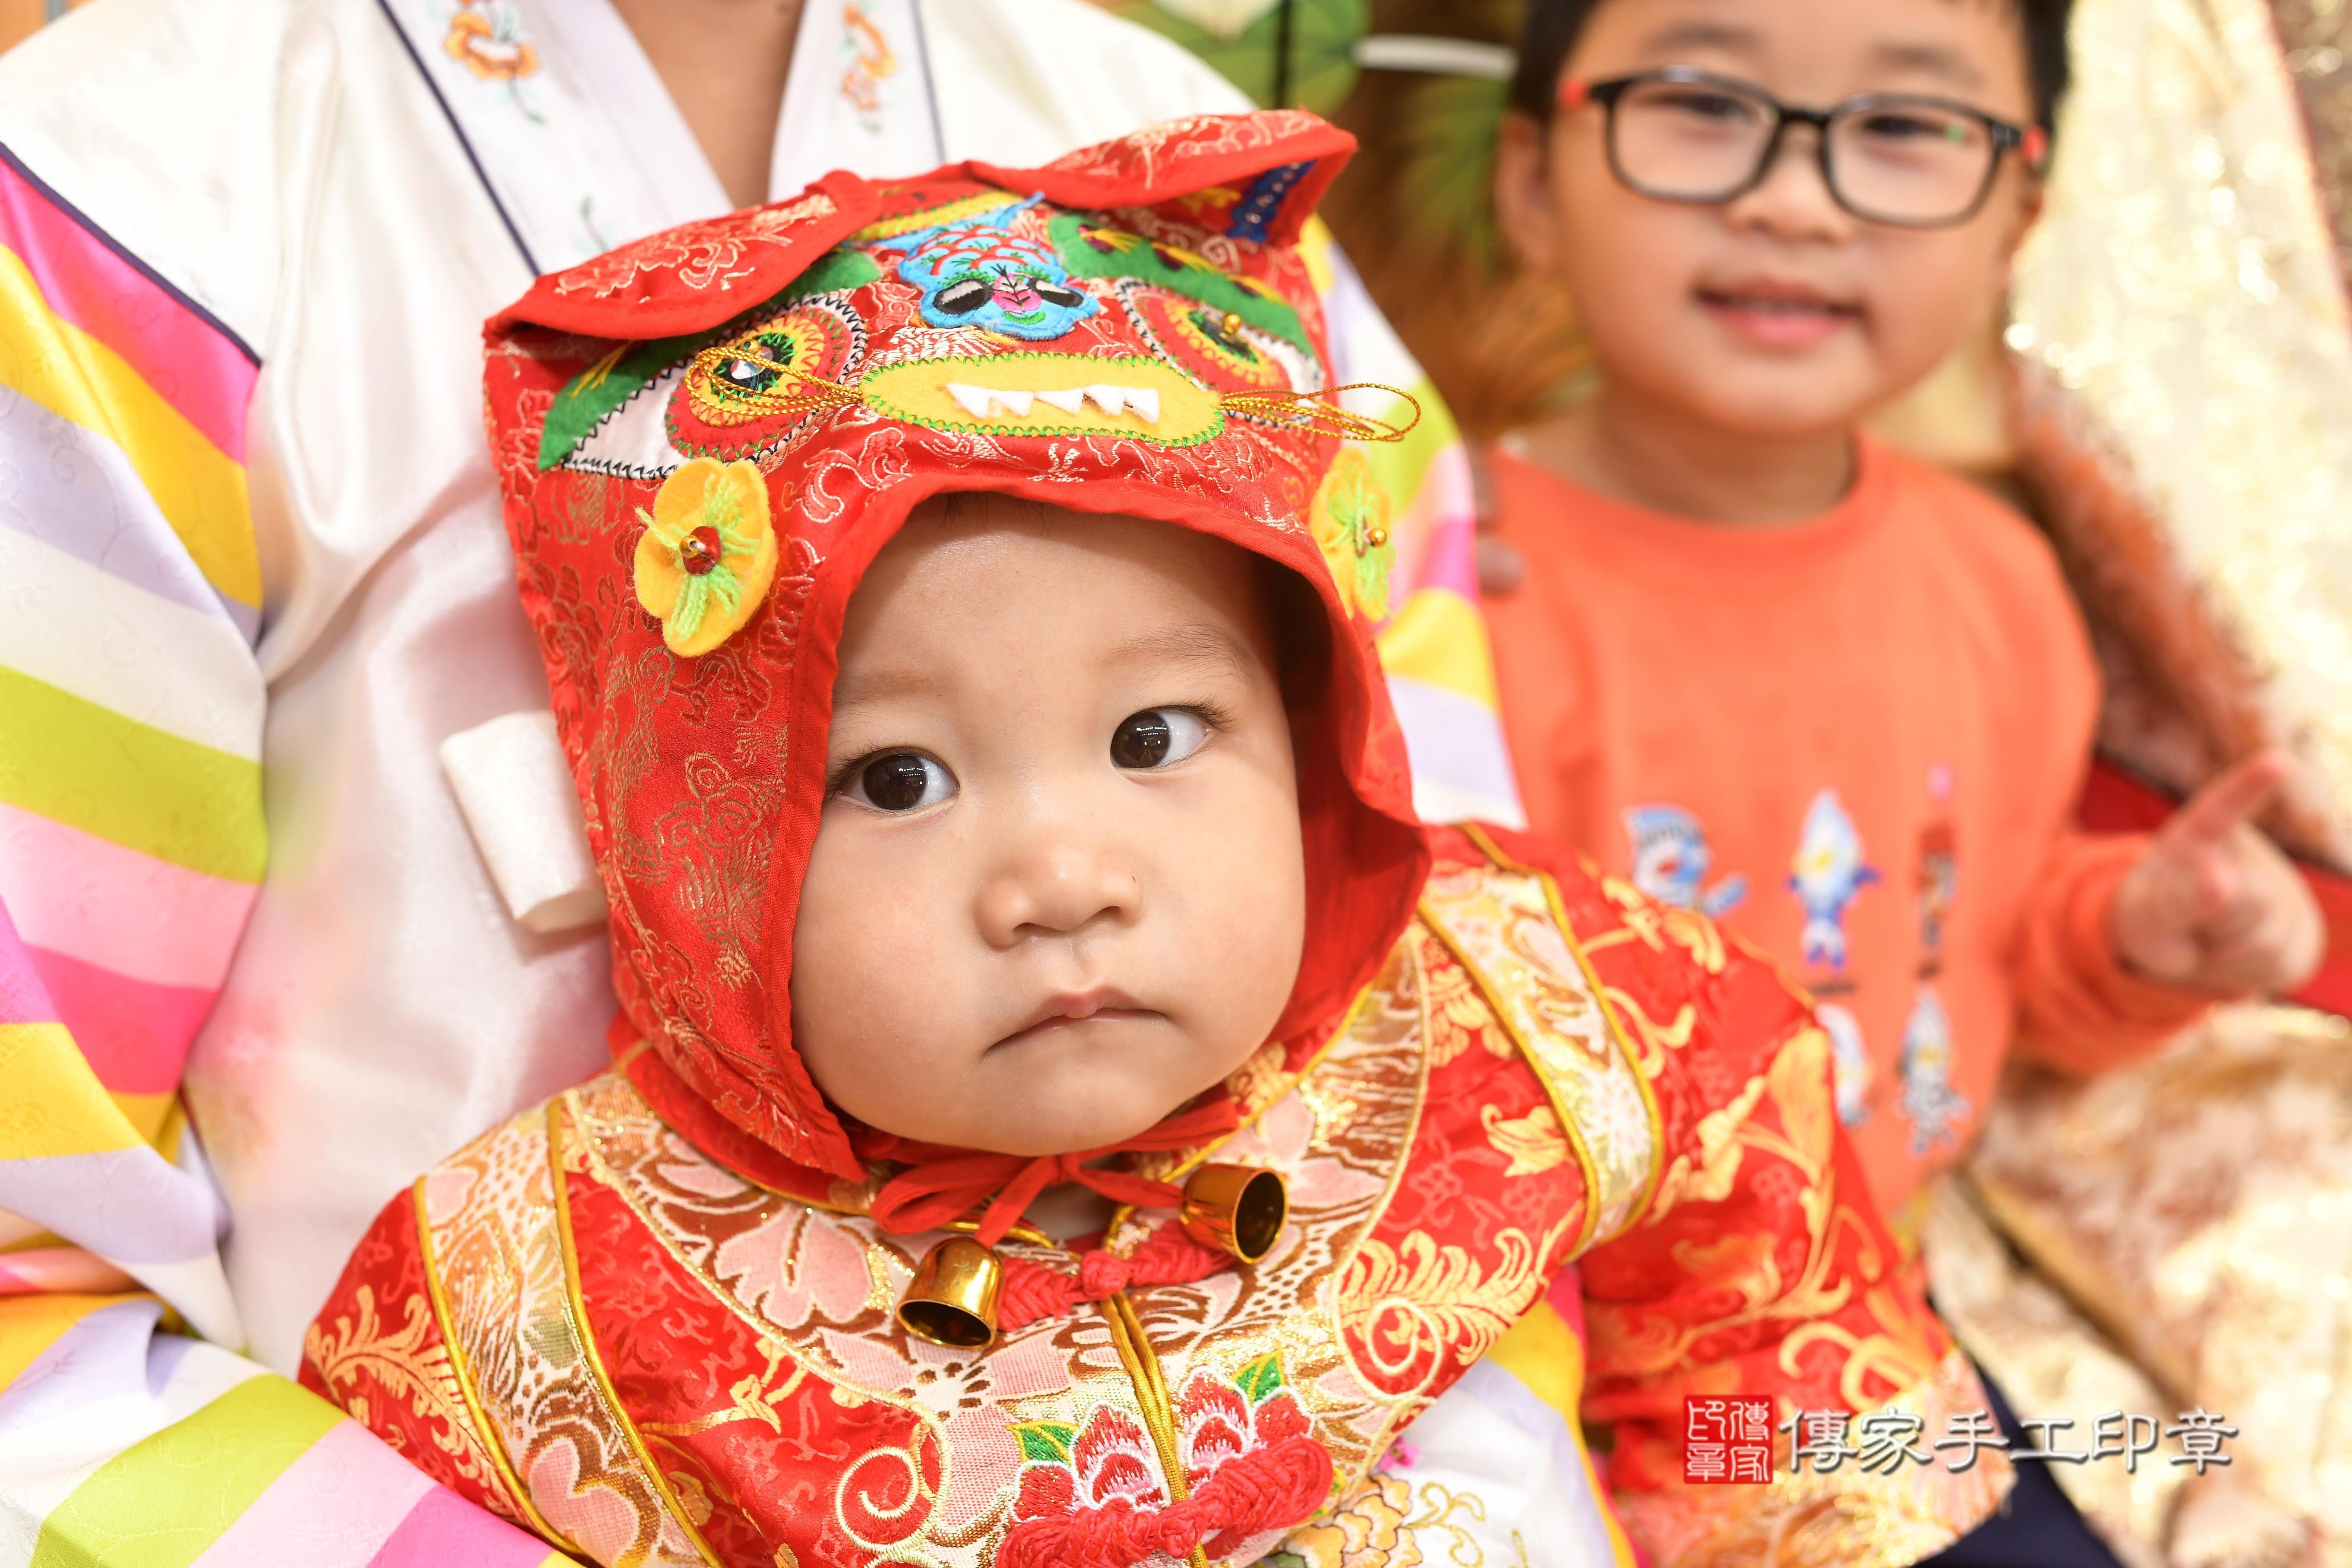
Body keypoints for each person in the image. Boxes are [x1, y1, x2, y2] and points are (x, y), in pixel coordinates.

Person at [299, 114, 2009, 1568]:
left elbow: (1781, 1335)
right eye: (895, 780)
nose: (1062, 882)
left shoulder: (1531, 1007)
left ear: (1311, 736)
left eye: (1152, 740)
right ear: (695, 852)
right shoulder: (555, 1295)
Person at [0, 0, 1512, 1552]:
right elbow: (24, 1326)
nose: (1067, 881)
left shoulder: (1182, 174)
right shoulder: (113, 206)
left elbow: (1454, 1066)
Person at [1477, 0, 2325, 1559]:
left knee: (2215, 1469)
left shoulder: (1995, 583)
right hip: (1542, 1368)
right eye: (1702, 103)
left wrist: (2138, 936)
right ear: (1531, 181)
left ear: (2023, 210)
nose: (1795, 196)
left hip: (1881, 1333)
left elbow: (1985, 951)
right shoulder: (1448, 588)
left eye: (1902, 129)